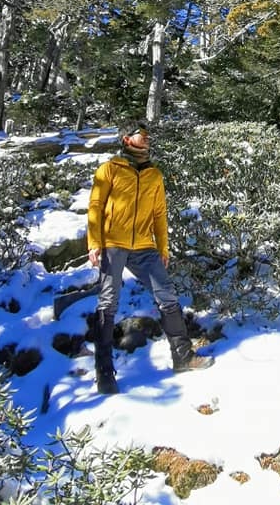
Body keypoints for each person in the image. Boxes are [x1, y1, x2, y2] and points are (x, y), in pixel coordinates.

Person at [87, 120, 214, 394]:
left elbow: (159, 214)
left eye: (147, 135)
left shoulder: (154, 175)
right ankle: (104, 373)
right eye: (140, 135)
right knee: (108, 302)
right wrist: (94, 242)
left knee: (167, 295)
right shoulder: (109, 169)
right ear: (125, 140)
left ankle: (182, 357)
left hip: (145, 246)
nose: (146, 139)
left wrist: (163, 248)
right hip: (113, 243)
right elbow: (95, 206)